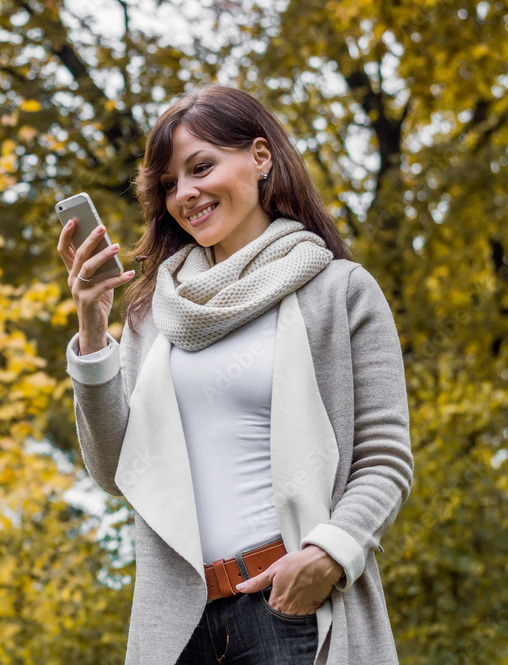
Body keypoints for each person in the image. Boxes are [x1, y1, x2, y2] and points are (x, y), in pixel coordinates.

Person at [56, 85, 413, 665]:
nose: (186, 194)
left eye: (201, 168)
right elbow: (114, 469)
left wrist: (327, 555)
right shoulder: (153, 315)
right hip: (178, 623)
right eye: (170, 184)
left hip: (288, 607)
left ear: (260, 157)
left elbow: (384, 457)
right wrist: (95, 331)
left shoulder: (339, 292)